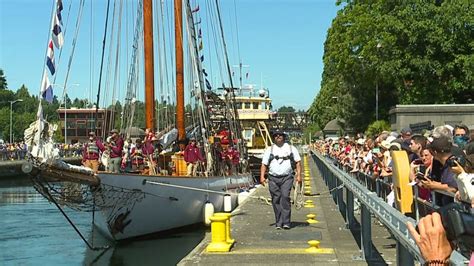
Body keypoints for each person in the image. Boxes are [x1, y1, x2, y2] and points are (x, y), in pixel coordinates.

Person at [260, 130, 302, 230]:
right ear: (274, 137)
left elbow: (298, 162)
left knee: (285, 197)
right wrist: (262, 176)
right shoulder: (269, 150)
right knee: (276, 199)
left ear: (284, 137)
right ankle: (279, 222)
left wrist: (299, 176)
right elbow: (264, 164)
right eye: (276, 135)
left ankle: (286, 222)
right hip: (273, 178)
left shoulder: (291, 148)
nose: (278, 136)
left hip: (287, 177)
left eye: (280, 135)